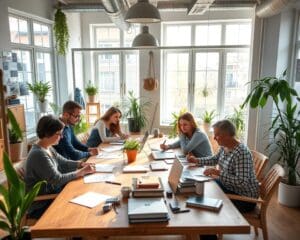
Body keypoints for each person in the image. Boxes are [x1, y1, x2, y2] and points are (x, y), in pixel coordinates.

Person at [25, 115, 96, 218]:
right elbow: (57, 179)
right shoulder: (38, 154)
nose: (62, 137)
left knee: (82, 194)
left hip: (53, 194)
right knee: (80, 208)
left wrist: (80, 164)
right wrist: (80, 172)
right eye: (59, 134)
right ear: (48, 133)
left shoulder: (48, 148)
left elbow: (64, 162)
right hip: (42, 204)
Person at [187, 119, 259, 213]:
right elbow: (214, 159)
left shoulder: (241, 153)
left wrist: (218, 173)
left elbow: (242, 182)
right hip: (228, 187)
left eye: (217, 135)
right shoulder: (225, 146)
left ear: (227, 135)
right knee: (200, 185)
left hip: (244, 198)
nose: (214, 138)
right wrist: (196, 160)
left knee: (206, 195)